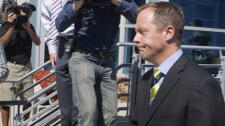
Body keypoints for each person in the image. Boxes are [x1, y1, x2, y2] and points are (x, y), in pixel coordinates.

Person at [131, 1, 225, 126]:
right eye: (136, 32)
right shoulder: (145, 80)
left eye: (142, 31)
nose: (135, 39)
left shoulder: (201, 84)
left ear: (169, 33)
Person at [55, 0, 138, 125]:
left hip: (107, 60)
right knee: (88, 112)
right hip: (83, 57)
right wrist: (77, 4)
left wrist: (117, 2)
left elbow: (138, 16)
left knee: (110, 115)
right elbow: (60, 24)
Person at [0, 2, 41, 126]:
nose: (29, 13)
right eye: (26, 11)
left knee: (27, 99)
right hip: (11, 67)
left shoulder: (29, 26)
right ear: (19, 11)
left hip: (27, 67)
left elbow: (38, 42)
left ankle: (25, 123)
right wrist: (11, 26)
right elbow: (1, 44)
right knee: (5, 101)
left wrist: (28, 28)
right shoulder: (6, 26)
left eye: (30, 12)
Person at [40, 0, 78, 126]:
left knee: (79, 106)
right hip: (61, 44)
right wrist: (52, 48)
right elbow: (48, 22)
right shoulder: (48, 1)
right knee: (65, 109)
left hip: (81, 42)